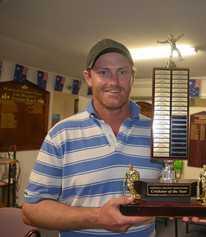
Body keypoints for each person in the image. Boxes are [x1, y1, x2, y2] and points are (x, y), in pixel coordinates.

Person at [22, 38, 163, 237]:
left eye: (122, 72)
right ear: (88, 77)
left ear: (132, 76)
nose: (114, 82)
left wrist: (195, 205)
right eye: (103, 72)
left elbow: (166, 189)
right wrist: (96, 217)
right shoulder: (61, 135)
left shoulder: (157, 132)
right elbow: (31, 212)